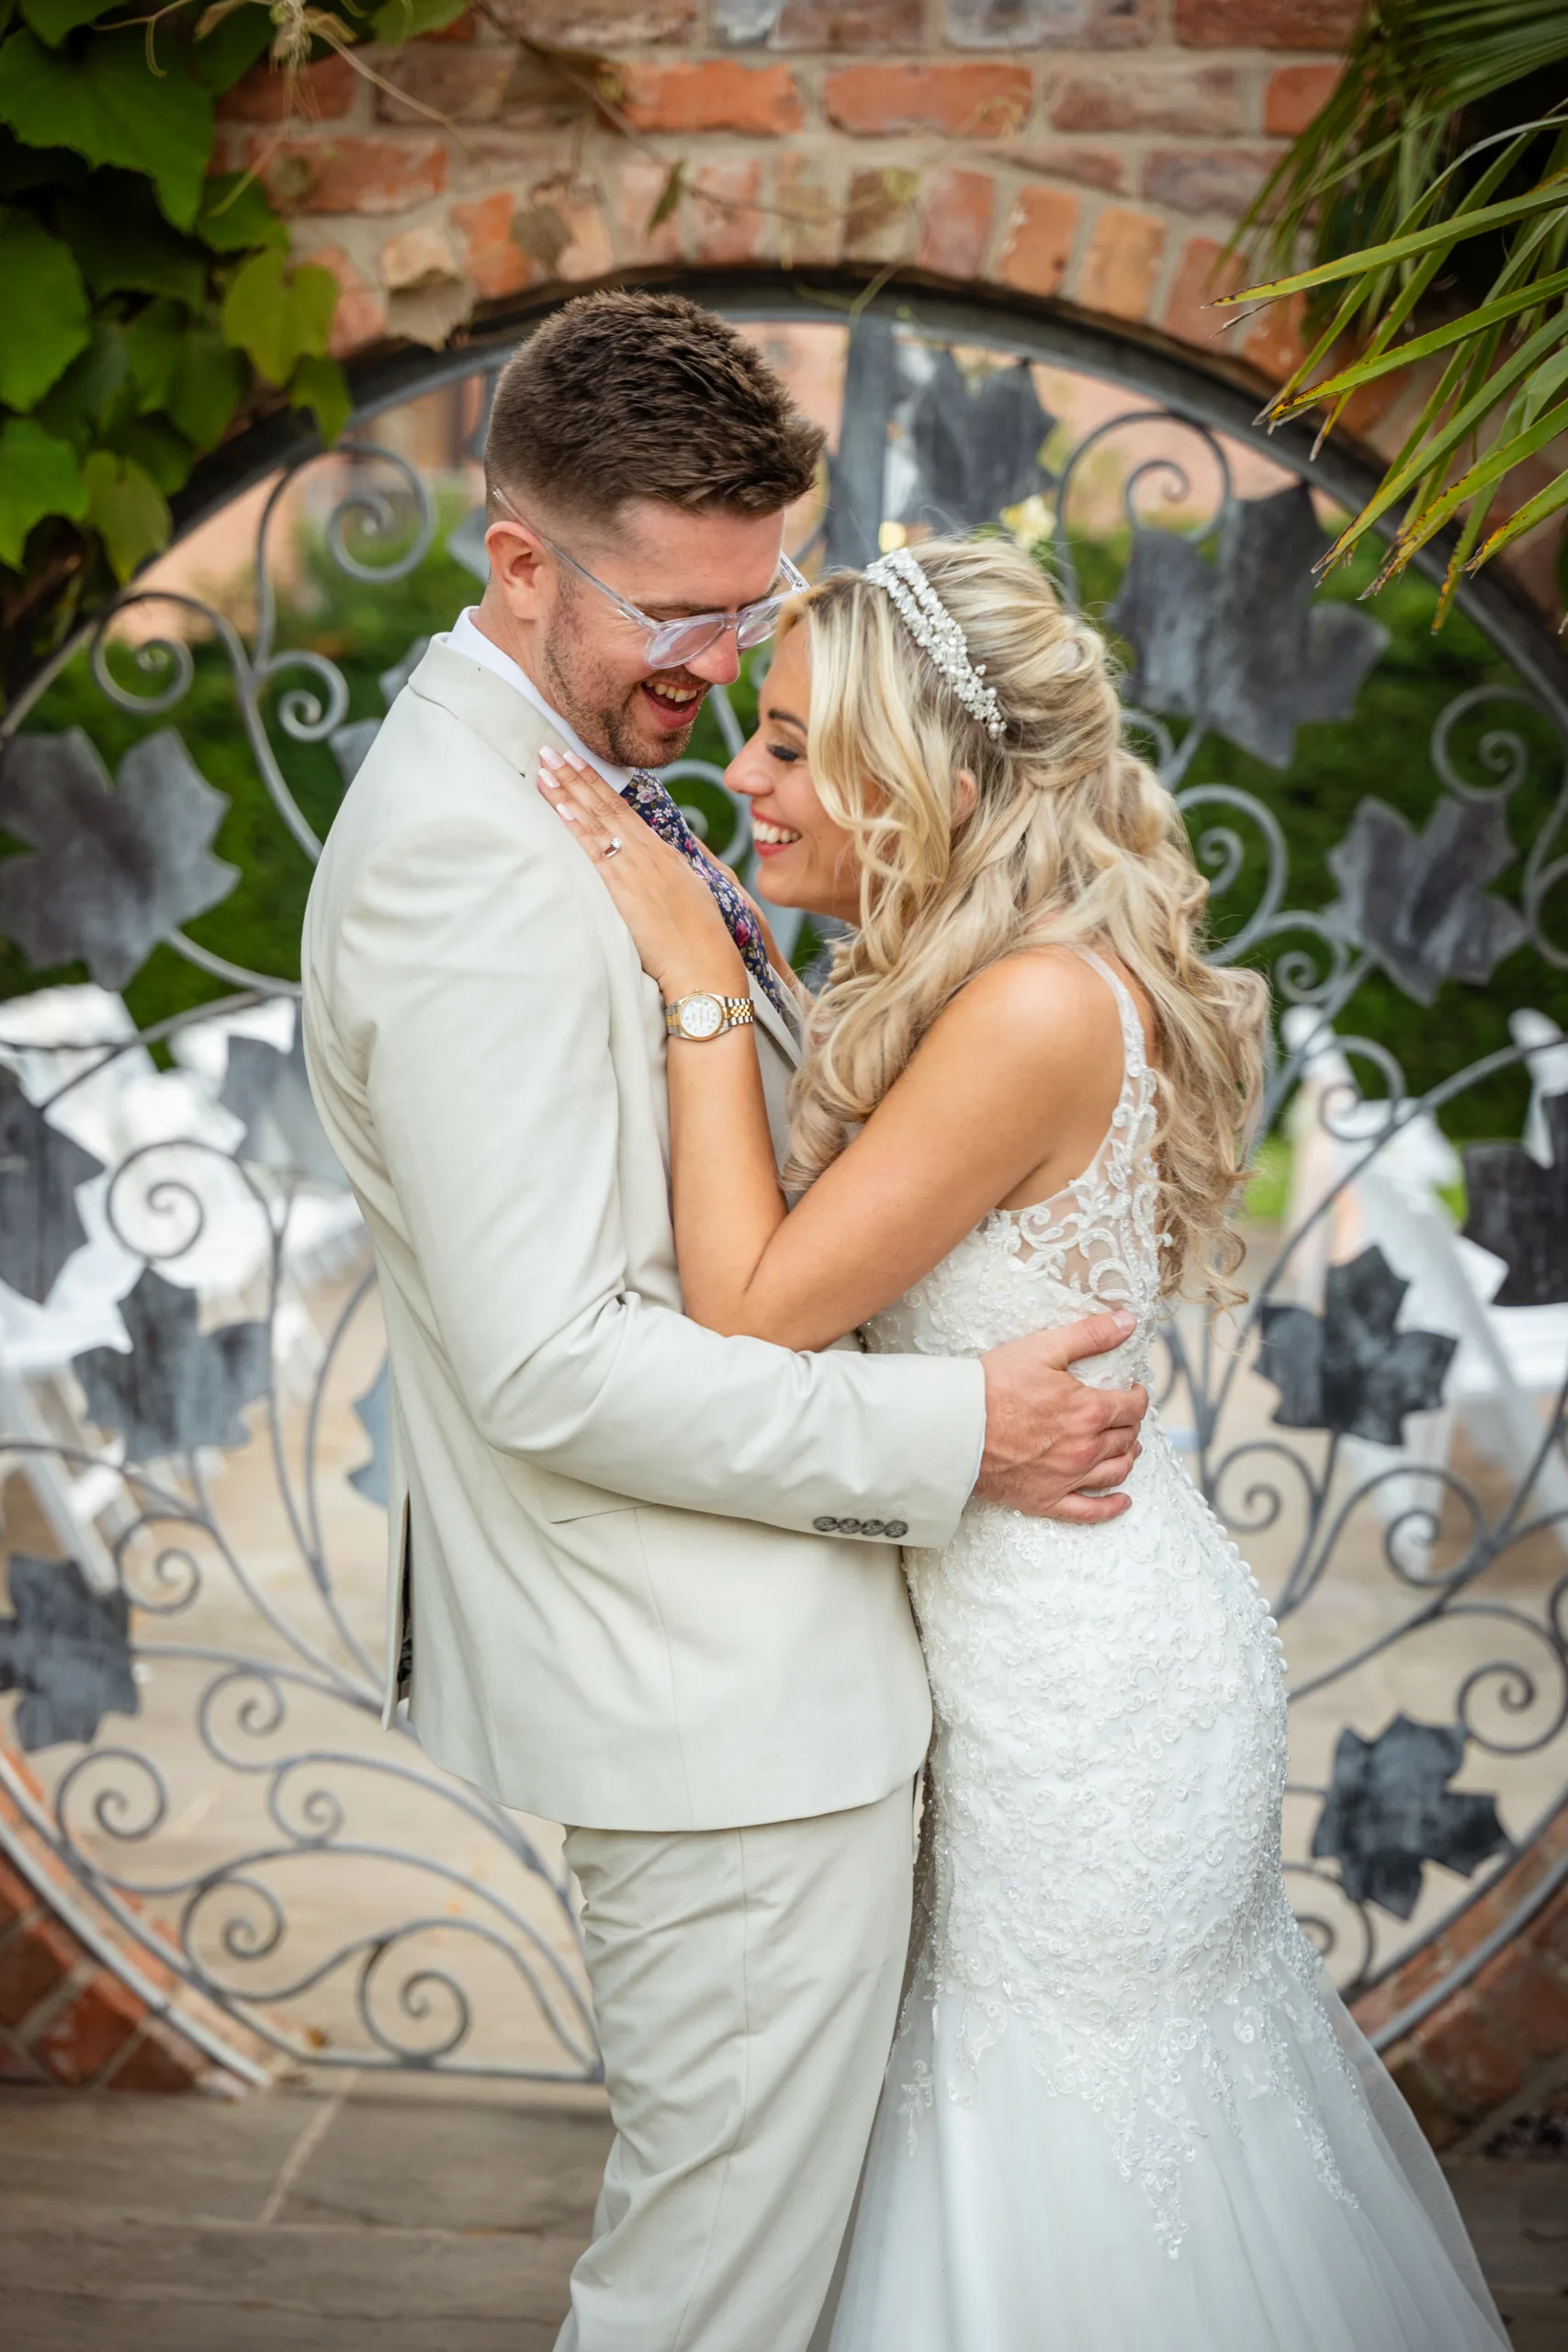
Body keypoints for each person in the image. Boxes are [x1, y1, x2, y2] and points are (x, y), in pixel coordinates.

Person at [538, 533, 1512, 2352]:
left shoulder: (1032, 1004)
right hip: (1021, 1639)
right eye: (749, 736)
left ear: (933, 783)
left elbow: (753, 1311)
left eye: (784, 744)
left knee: (1068, 2147)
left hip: (1075, 1701)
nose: (737, 778)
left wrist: (686, 972)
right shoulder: (966, 976)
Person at [300, 290, 1150, 2352]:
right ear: (518, 561)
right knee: (705, 2305)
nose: (721, 664)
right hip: (720, 1719)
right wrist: (963, 1436)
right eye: (678, 617)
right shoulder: (475, 866)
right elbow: (551, 1361)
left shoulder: (565, 789)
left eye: (748, 611)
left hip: (779, 1695)